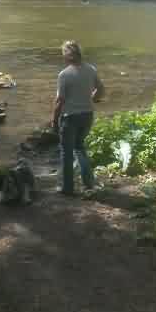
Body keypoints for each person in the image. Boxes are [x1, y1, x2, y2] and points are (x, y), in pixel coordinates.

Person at [52, 40, 104, 196]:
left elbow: (60, 101)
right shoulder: (91, 69)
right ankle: (89, 185)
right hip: (87, 115)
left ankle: (67, 188)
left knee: (66, 153)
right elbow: (100, 89)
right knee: (80, 148)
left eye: (63, 54)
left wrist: (54, 120)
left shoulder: (64, 75)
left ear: (67, 56)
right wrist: (93, 98)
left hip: (70, 118)